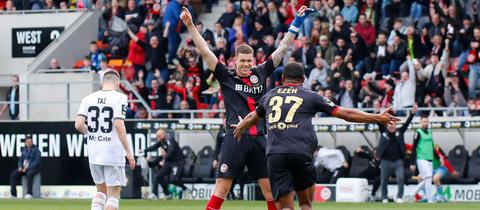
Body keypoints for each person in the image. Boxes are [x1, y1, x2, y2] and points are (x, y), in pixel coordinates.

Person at [181, 6, 312, 210]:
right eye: (242, 61)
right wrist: (190, 25)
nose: (245, 65)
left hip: (260, 137)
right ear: (235, 61)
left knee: (270, 192)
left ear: (253, 60)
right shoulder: (226, 75)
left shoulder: (260, 72)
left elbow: (282, 48)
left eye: (249, 61)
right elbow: (205, 51)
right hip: (235, 136)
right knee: (222, 189)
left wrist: (296, 23)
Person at [232, 62, 400, 210]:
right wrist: (377, 117)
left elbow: (254, 116)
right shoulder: (310, 96)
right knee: (305, 204)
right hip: (301, 153)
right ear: (303, 79)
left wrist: (241, 126)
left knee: (284, 206)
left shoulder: (269, 95)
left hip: (276, 154)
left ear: (282, 78)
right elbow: (345, 113)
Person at [74, 70, 135, 210]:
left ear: (103, 82)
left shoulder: (88, 98)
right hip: (112, 152)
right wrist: (128, 152)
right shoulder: (120, 98)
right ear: (118, 83)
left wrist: (90, 133)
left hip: (94, 153)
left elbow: (78, 124)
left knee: (100, 191)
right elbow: (119, 124)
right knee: (113, 194)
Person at [377, 105, 416, 203]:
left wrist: (412, 113)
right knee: (384, 180)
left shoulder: (400, 132)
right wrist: (377, 111)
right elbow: (378, 122)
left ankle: (399, 197)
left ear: (395, 125)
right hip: (385, 161)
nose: (391, 126)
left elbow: (407, 124)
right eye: (389, 124)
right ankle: (384, 197)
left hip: (398, 162)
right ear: (387, 125)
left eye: (393, 124)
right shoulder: (383, 132)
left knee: (401, 178)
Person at [143, 129, 187, 199]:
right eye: (157, 137)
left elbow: (171, 150)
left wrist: (164, 159)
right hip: (170, 162)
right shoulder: (162, 141)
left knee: (173, 179)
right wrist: (145, 150)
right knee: (158, 176)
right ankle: (164, 193)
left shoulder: (170, 139)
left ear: (164, 134)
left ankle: (184, 189)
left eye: (159, 136)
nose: (158, 138)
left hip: (178, 162)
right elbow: (154, 146)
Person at [411, 115, 435, 203]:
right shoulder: (418, 133)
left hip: (430, 159)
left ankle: (412, 194)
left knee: (427, 179)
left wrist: (438, 157)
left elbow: (432, 146)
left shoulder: (430, 132)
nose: (426, 123)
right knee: (428, 177)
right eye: (424, 121)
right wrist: (412, 162)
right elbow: (414, 148)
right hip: (421, 158)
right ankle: (430, 199)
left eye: (427, 121)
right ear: (420, 122)